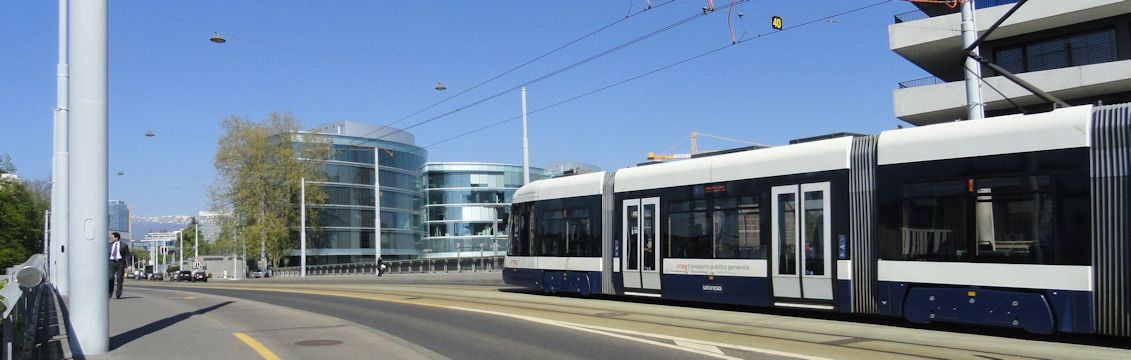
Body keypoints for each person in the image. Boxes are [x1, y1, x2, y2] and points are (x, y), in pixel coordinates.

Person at [108, 232, 132, 299]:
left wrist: (129, 265)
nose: (111, 238)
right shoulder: (108, 245)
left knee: (119, 279)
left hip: (120, 263)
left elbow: (127, 255)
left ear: (116, 238)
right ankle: (110, 292)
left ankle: (118, 294)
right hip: (111, 263)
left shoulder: (124, 245)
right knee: (110, 278)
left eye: (112, 237)